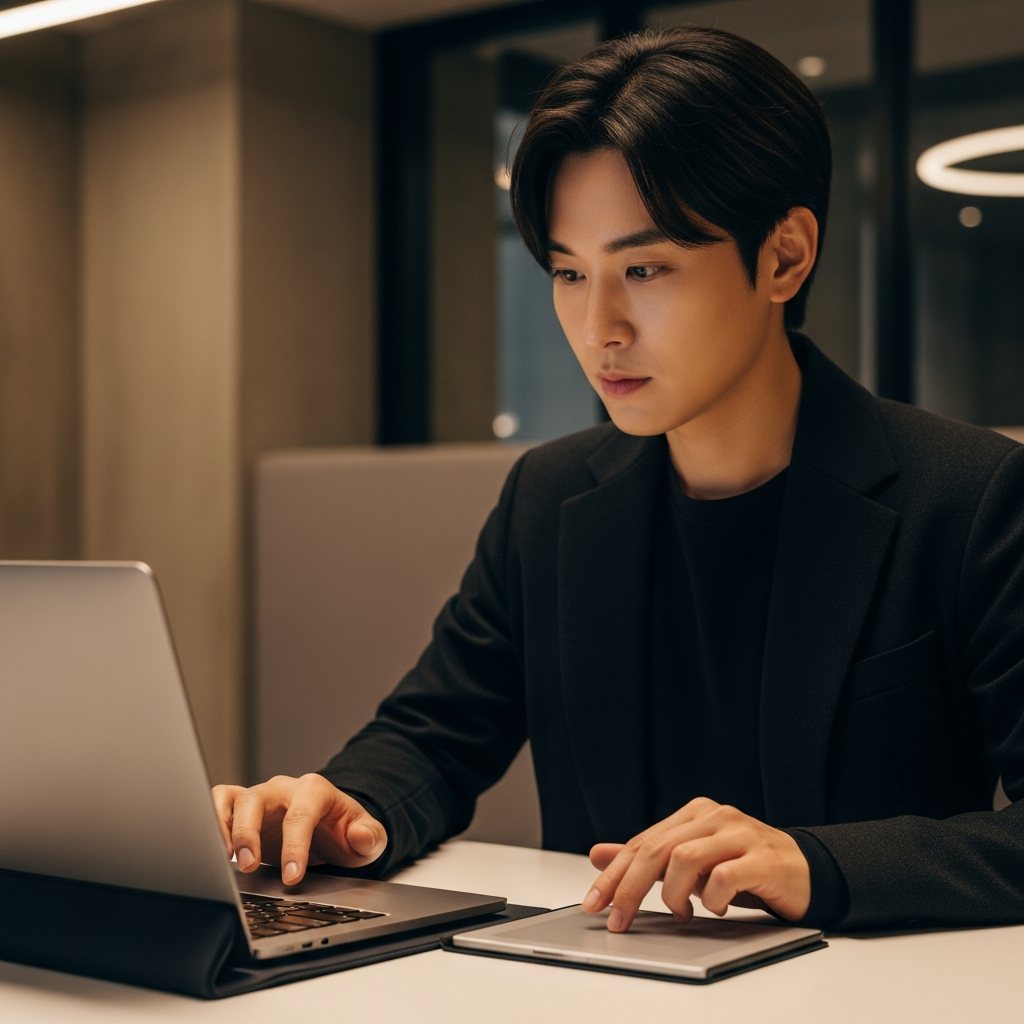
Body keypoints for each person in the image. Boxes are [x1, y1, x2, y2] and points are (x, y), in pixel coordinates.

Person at [214, 27, 1024, 933]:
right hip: (597, 983)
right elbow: (432, 737)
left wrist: (817, 861)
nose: (598, 327)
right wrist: (341, 808)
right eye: (569, 272)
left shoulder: (969, 496)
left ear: (785, 257)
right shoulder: (551, 499)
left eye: (644, 268)